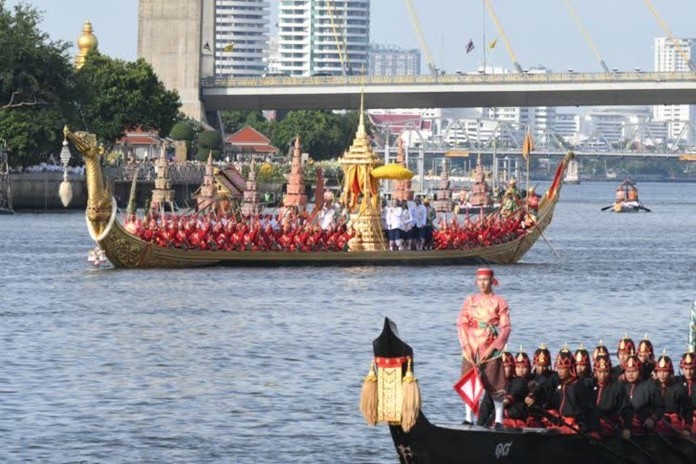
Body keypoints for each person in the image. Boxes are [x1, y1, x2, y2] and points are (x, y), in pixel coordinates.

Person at [457, 268, 511, 429]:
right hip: (472, 345)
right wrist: (466, 345)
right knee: (469, 382)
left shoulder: (499, 301)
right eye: (479, 280)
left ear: (492, 281)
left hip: (491, 347)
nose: (482, 283)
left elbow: (506, 327)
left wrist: (496, 346)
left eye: (485, 280)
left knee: (495, 383)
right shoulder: (470, 300)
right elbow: (461, 323)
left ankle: (499, 420)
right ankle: (468, 418)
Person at [621, 354, 664, 433]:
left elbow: (660, 408)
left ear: (640, 371)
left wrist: (652, 419)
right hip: (622, 427)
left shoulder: (650, 387)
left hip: (644, 427)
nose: (630, 374)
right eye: (628, 371)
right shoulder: (620, 386)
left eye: (634, 371)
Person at [591, 354, 632, 438]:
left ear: (610, 371)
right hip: (590, 426)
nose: (603, 375)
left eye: (606, 371)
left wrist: (627, 428)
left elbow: (627, 410)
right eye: (600, 372)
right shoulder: (589, 385)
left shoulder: (617, 387)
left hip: (610, 427)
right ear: (595, 372)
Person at [654, 354, 693, 435]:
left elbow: (687, 410)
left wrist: (687, 428)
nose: (662, 374)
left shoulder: (679, 389)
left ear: (670, 372)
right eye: (659, 371)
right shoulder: (650, 386)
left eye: (665, 371)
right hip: (655, 421)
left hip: (673, 425)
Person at [677, 348, 696, 434]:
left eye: (691, 369)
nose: (688, 372)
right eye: (686, 369)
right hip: (680, 417)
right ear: (682, 368)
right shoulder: (676, 382)